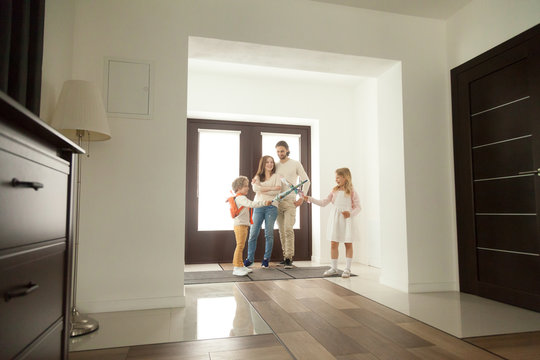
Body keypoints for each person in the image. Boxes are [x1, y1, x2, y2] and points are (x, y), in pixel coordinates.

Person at [304, 168, 361, 278]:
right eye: (336, 177)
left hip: (347, 220)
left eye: (338, 177)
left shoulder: (352, 191)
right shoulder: (334, 191)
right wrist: (310, 198)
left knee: (348, 243)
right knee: (333, 243)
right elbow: (323, 202)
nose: (336, 179)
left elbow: (358, 207)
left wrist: (350, 213)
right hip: (335, 219)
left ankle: (347, 269)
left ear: (346, 177)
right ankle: (334, 268)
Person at [275, 141, 310, 269]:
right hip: (277, 202)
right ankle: (285, 257)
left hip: (291, 202)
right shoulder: (275, 165)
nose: (280, 153)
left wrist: (302, 197)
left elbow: (306, 181)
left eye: (282, 151)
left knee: (288, 229)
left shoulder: (295, 163)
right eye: (278, 151)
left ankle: (289, 258)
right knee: (281, 230)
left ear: (287, 150)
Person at [244, 156, 282, 268]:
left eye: (271, 162)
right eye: (267, 162)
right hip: (259, 205)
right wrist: (271, 188)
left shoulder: (276, 176)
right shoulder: (257, 176)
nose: (270, 164)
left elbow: (278, 190)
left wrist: (262, 188)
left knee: (269, 234)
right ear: (263, 164)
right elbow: (255, 189)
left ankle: (266, 259)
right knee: (253, 234)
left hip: (272, 206)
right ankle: (250, 259)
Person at [230, 176, 271, 276]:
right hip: (240, 226)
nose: (248, 188)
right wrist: (264, 202)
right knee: (240, 246)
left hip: (242, 225)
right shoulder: (240, 198)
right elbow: (252, 204)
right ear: (238, 188)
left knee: (241, 245)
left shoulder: (239, 198)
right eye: (245, 186)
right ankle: (236, 267)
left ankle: (240, 265)